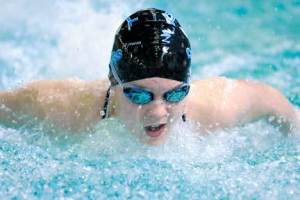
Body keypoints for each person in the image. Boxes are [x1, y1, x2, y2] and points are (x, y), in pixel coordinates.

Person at [0, 8, 299, 145]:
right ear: (114, 84)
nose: (158, 112)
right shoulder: (62, 109)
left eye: (175, 95)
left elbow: (280, 107)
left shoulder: (217, 107)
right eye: (139, 95)